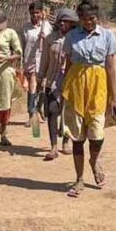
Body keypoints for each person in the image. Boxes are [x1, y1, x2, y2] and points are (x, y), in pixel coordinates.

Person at [60, 0, 116, 197]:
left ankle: (94, 161)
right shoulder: (71, 37)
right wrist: (63, 90)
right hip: (76, 89)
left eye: (92, 18)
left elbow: (110, 67)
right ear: (80, 19)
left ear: (97, 17)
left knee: (96, 134)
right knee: (77, 137)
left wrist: (114, 97)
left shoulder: (107, 36)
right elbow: (68, 65)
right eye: (85, 19)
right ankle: (79, 179)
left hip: (98, 89)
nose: (88, 22)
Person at [38, 8, 78, 160]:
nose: (62, 23)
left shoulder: (77, 38)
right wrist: (40, 78)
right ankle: (53, 146)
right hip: (52, 81)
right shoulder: (51, 39)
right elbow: (44, 60)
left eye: (66, 21)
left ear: (72, 23)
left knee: (68, 114)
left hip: (71, 82)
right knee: (52, 111)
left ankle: (66, 142)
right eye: (61, 21)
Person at [0, 9, 22, 147]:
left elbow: (18, 53)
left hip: (5, 71)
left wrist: (7, 58)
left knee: (5, 104)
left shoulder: (10, 33)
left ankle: (3, 133)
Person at [20, 0, 53, 126]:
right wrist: (22, 64)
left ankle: (38, 107)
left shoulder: (47, 27)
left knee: (40, 87)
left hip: (43, 61)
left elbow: (51, 44)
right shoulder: (25, 28)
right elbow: (23, 46)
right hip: (30, 61)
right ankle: (31, 114)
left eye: (37, 13)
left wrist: (45, 38)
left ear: (42, 13)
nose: (35, 15)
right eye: (32, 13)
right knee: (32, 86)